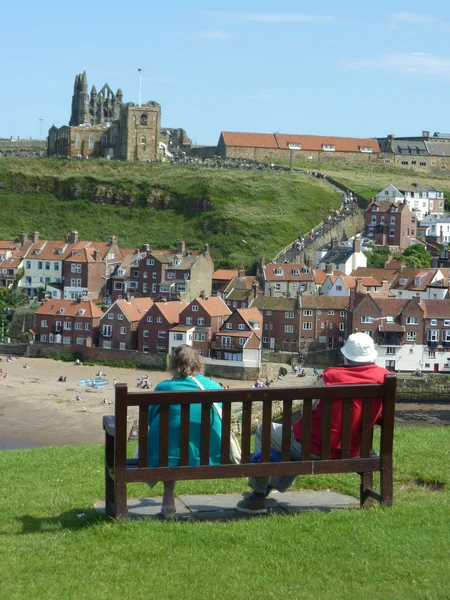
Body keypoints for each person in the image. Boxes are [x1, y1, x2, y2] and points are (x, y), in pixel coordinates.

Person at [236, 332, 390, 514]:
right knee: (289, 442)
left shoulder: (330, 376)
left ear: (346, 356)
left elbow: (306, 410)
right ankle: (271, 486)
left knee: (265, 431)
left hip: (314, 448)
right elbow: (382, 417)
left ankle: (258, 496)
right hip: (353, 451)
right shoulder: (385, 377)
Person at [147, 345, 223, 519]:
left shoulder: (163, 388)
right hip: (212, 454)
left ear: (173, 365)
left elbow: (151, 418)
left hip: (169, 455)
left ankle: (168, 502)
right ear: (198, 363)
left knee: (169, 442)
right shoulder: (213, 386)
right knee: (172, 441)